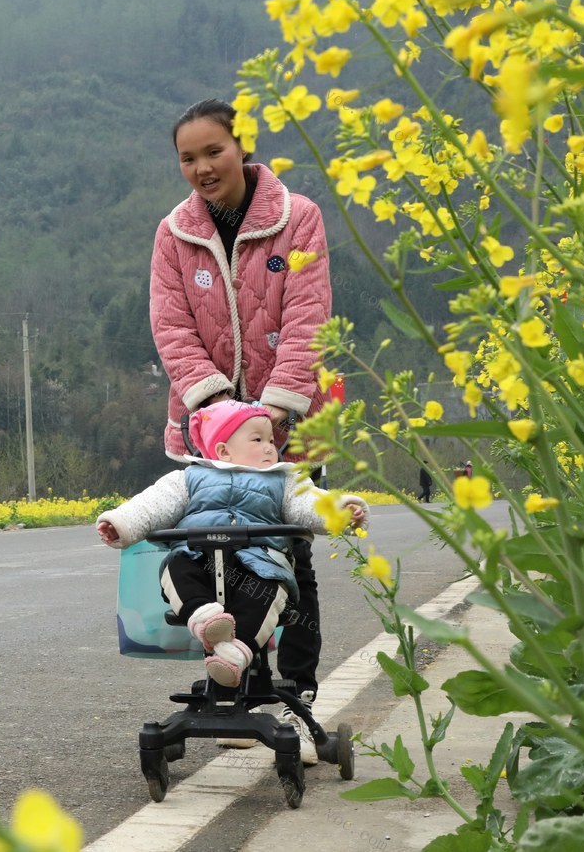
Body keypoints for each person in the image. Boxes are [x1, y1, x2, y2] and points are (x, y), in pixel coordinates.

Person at [149, 98, 333, 762]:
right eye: (187, 158)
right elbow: (171, 328)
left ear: (242, 146)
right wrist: (218, 408)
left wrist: (276, 410)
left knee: (290, 552)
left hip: (289, 427)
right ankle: (239, 682)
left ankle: (297, 686)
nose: (201, 167)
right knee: (208, 549)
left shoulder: (298, 218)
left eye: (212, 152)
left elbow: (309, 317)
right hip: (207, 430)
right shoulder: (174, 233)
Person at [96, 401, 367, 692]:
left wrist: (340, 512)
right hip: (200, 560)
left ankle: (234, 655)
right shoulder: (189, 478)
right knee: (175, 566)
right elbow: (150, 506)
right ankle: (205, 617)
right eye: (258, 439)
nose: (269, 448)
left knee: (270, 589)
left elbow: (310, 503)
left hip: (259, 563)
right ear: (224, 450)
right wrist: (120, 523)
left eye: (271, 441)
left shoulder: (284, 480)